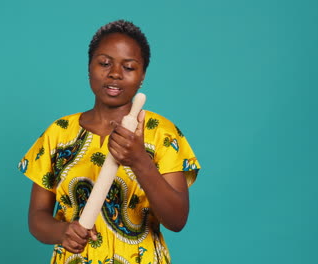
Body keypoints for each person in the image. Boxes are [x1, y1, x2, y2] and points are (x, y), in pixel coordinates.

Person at [18, 19, 200, 264]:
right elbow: (37, 218)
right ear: (89, 66)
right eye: (104, 63)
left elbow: (177, 220)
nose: (115, 73)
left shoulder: (161, 133)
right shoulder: (58, 133)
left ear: (142, 74)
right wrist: (62, 232)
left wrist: (139, 161)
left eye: (129, 67)